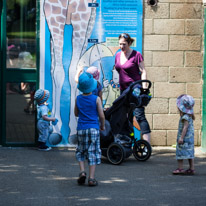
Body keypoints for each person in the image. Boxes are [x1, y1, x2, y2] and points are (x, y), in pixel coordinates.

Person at [114, 33, 151, 143]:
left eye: (124, 44)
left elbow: (143, 71)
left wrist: (144, 89)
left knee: (139, 115)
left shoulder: (136, 55)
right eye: (120, 44)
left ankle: (146, 144)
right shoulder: (117, 55)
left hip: (135, 90)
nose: (122, 46)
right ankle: (129, 140)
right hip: (124, 91)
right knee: (126, 117)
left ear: (130, 43)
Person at [74, 72, 105, 186]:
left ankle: (82, 172)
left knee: (81, 150)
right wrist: (102, 125)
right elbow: (101, 115)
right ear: (92, 86)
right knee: (93, 152)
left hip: (81, 128)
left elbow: (76, 113)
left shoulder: (78, 98)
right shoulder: (96, 99)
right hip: (93, 128)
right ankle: (91, 178)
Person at [173, 94, 195, 175]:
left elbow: (185, 128)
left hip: (184, 138)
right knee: (190, 153)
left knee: (180, 152)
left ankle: (180, 168)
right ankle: (192, 168)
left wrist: (181, 138)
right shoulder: (190, 116)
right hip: (190, 139)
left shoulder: (185, 117)